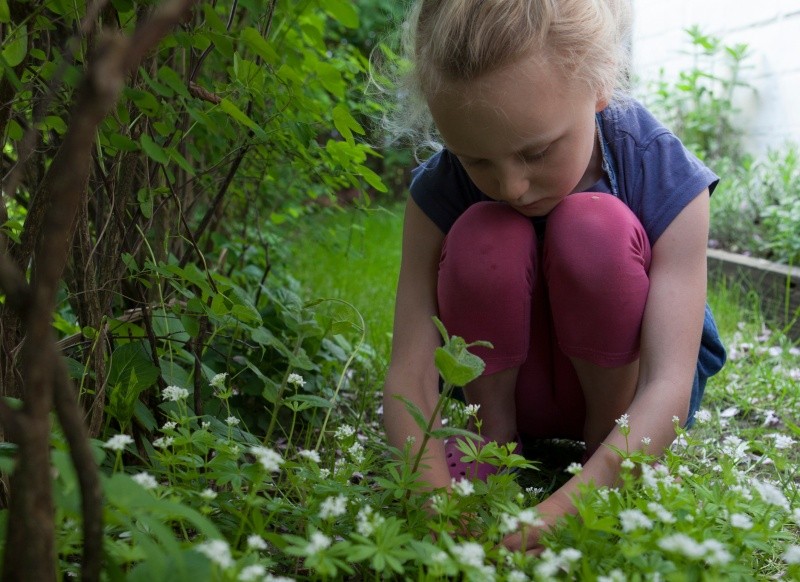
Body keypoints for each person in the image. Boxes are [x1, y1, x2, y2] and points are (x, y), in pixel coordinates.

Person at [382, 0, 727, 550]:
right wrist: (435, 504)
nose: (512, 186)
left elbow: (670, 382)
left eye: (537, 152)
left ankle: (601, 449)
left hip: (628, 400)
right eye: (476, 161)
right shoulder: (437, 194)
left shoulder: (663, 173)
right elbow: (409, 377)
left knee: (594, 228)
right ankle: (492, 445)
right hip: (507, 390)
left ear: (600, 83)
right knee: (483, 234)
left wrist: (567, 510)